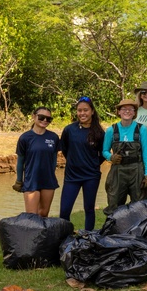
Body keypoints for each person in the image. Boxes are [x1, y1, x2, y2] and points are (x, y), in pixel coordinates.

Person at [58, 97, 105, 230]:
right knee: (65, 210)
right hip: (72, 176)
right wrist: (74, 162)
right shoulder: (69, 130)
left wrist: (93, 164)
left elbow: (103, 154)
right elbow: (65, 150)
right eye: (79, 110)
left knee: (89, 208)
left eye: (85, 110)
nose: (82, 113)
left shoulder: (99, 132)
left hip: (91, 176)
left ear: (92, 112)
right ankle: (64, 237)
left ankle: (88, 237)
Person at [102, 98, 147, 215]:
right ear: (119, 112)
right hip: (118, 170)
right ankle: (115, 230)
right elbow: (104, 151)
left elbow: (146, 153)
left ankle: (138, 231)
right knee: (114, 205)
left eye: (130, 109)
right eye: (123, 109)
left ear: (134, 112)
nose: (127, 111)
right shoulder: (111, 130)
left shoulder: (141, 129)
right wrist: (111, 157)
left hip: (137, 170)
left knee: (140, 205)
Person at [13, 107, 60, 217]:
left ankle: (42, 234)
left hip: (48, 180)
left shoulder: (53, 137)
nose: (45, 120)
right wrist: (19, 181)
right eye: (41, 117)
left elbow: (54, 160)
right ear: (34, 116)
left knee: (43, 213)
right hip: (31, 179)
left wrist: (52, 175)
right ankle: (31, 234)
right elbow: (20, 162)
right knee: (31, 216)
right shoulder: (25, 138)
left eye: (48, 119)